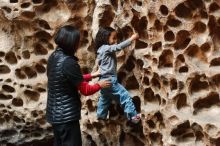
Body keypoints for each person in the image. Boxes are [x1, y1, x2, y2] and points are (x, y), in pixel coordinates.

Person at [46, 25, 111, 146]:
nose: (79, 44)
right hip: (67, 117)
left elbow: (67, 78)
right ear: (71, 43)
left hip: (54, 114)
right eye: (77, 41)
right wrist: (100, 84)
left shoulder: (53, 57)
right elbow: (86, 90)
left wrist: (92, 75)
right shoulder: (69, 62)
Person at [95, 27, 141, 124]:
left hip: (102, 80)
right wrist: (132, 39)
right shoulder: (106, 48)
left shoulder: (100, 50)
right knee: (124, 96)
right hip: (110, 81)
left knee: (104, 98)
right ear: (105, 38)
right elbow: (118, 47)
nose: (116, 40)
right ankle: (134, 117)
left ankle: (101, 116)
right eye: (114, 38)